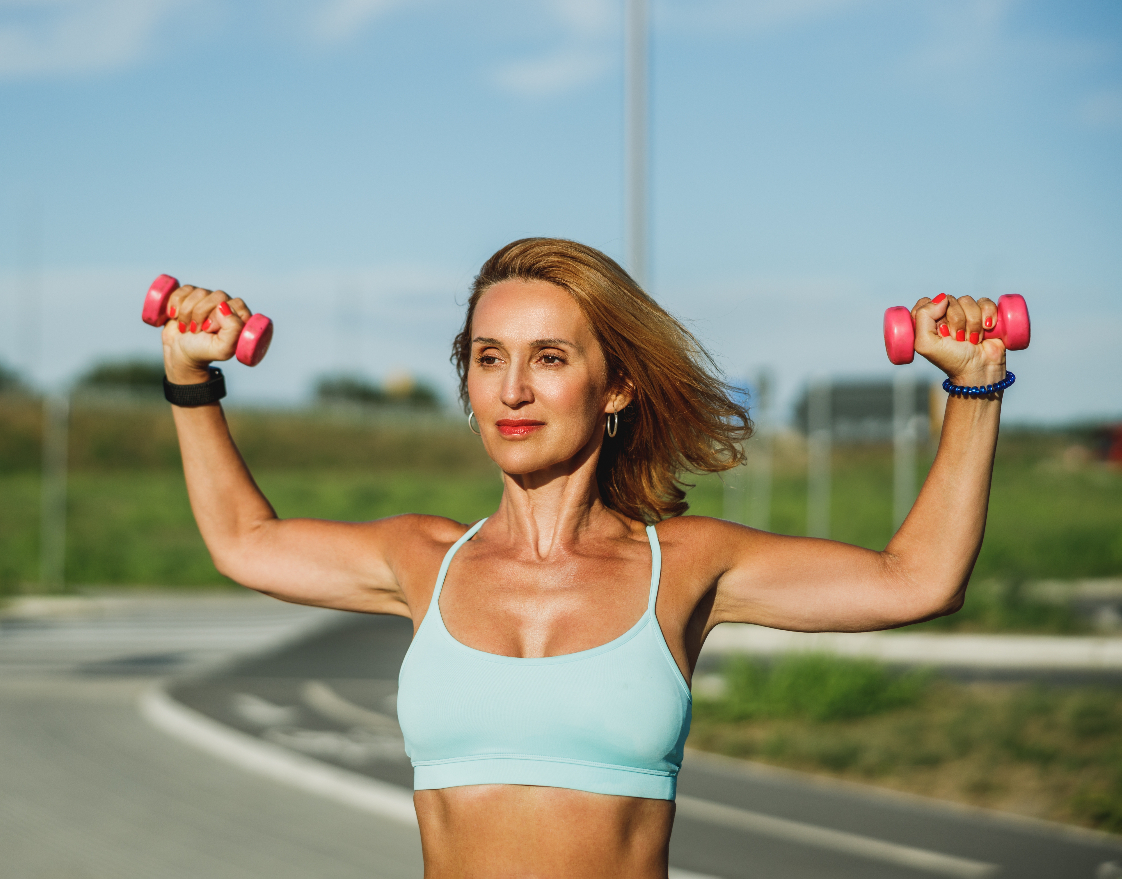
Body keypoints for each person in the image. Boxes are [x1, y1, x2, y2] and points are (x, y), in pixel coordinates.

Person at [159, 237, 1009, 878]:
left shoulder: (686, 563)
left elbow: (919, 579)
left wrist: (972, 388)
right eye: (489, 359)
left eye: (549, 358)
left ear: (615, 387)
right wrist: (191, 379)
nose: (513, 389)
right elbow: (247, 541)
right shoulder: (421, 557)